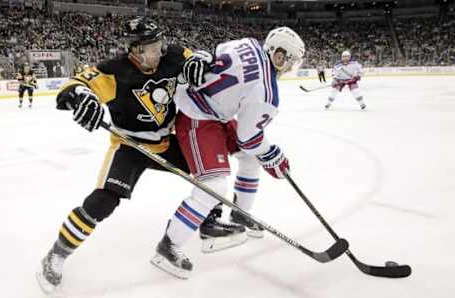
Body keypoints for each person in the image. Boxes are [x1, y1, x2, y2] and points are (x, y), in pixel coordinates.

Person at [36, 17, 209, 294]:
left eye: (159, 45)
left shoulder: (172, 55)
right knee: (103, 201)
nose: (158, 52)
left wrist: (203, 58)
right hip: (130, 146)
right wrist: (81, 96)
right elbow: (72, 87)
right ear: (134, 50)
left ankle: (183, 237)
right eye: (150, 48)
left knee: (209, 175)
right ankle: (56, 254)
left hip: (166, 142)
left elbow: (199, 59)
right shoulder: (115, 71)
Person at [150, 27, 305, 279]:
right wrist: (273, 156)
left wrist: (261, 154)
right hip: (197, 115)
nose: (289, 67)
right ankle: (167, 245)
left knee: (249, 158)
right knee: (214, 185)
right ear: (278, 55)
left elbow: (214, 54)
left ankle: (240, 215)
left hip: (210, 107)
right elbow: (250, 137)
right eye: (289, 60)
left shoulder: (251, 42)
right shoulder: (267, 92)